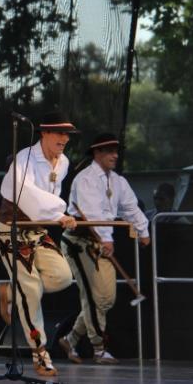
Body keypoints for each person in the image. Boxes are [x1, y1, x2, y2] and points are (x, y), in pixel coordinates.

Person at [0, 110, 77, 377]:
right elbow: (24, 193)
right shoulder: (25, 158)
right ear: (44, 133)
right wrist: (58, 213)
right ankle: (40, 353)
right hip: (11, 230)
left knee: (63, 277)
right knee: (30, 290)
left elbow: (49, 196)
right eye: (59, 133)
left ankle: (10, 290)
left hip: (36, 230)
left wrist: (56, 214)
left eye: (67, 134)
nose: (65, 138)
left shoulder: (63, 162)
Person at [59, 133, 151, 364]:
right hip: (79, 243)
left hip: (100, 242)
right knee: (94, 297)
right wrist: (106, 238)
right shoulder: (85, 179)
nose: (115, 155)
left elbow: (130, 207)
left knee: (106, 298)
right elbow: (93, 214)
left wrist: (143, 230)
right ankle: (99, 349)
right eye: (110, 151)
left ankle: (70, 339)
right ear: (97, 153)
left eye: (116, 151)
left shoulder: (118, 181)